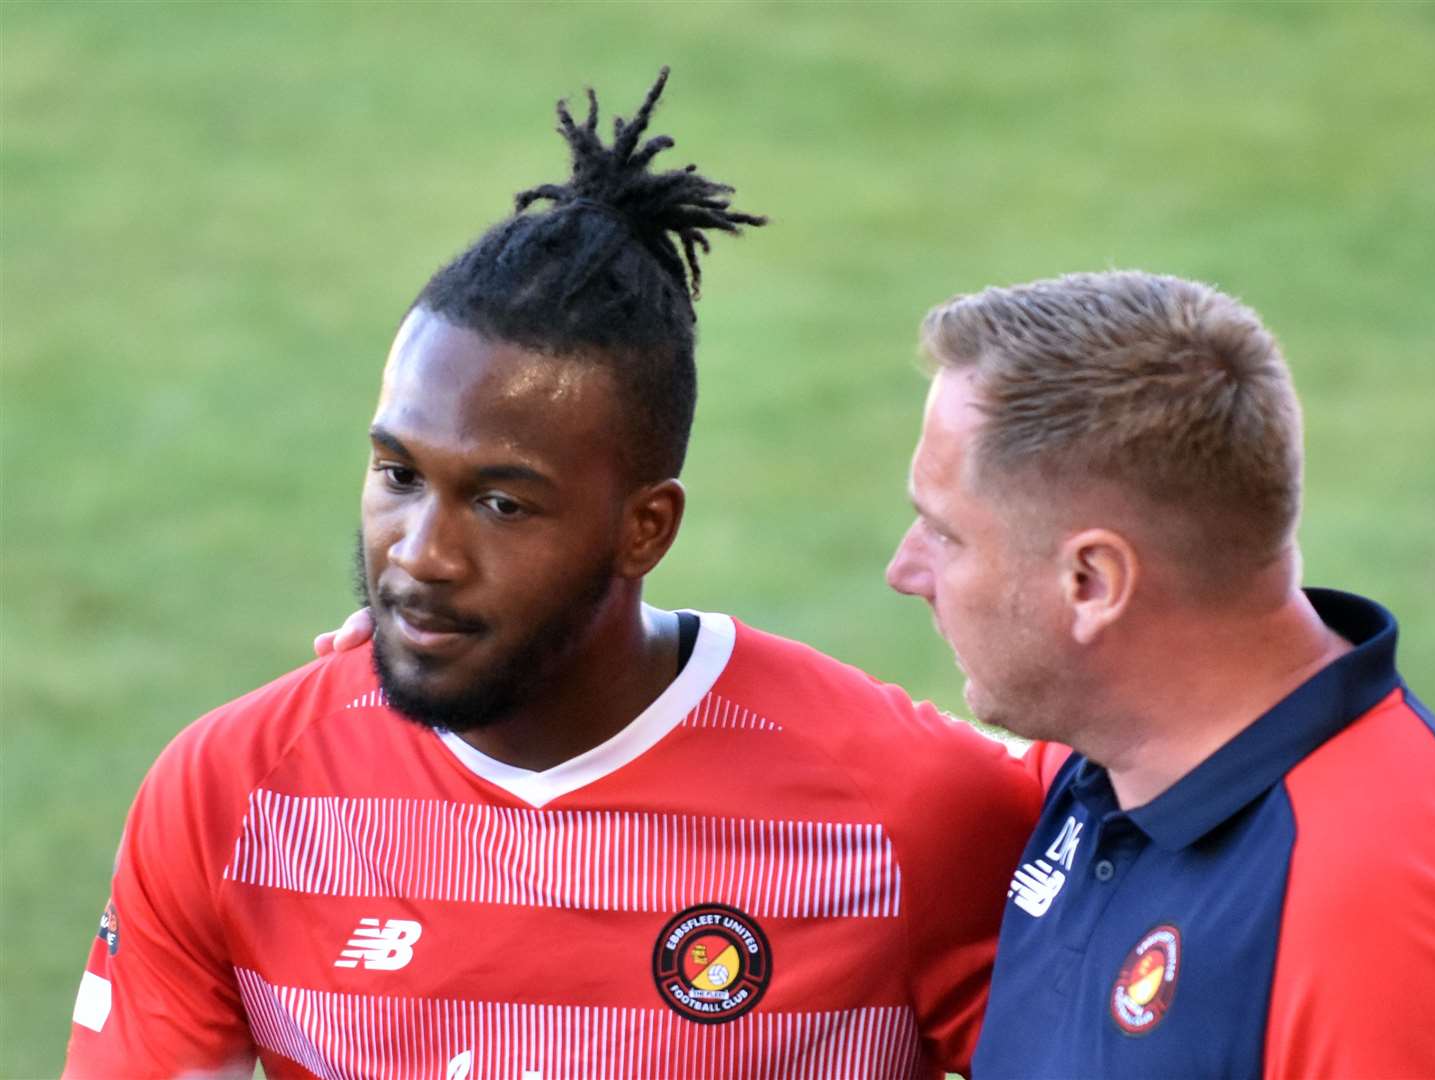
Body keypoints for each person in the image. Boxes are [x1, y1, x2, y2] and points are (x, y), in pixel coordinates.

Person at [63, 71, 1048, 1079]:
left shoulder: (907, 806)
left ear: (644, 530)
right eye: (399, 475)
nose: (420, 555)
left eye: (502, 503)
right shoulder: (234, 792)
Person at [883, 270, 1435, 1077]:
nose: (906, 569)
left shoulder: (1372, 920)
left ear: (1092, 584)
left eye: (944, 533)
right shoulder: (1111, 769)